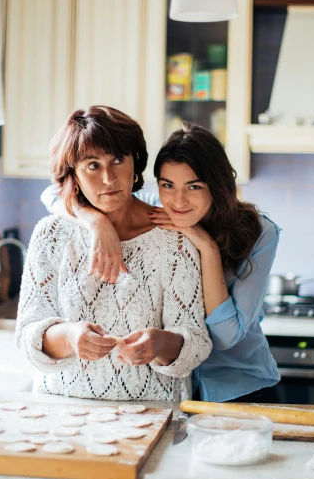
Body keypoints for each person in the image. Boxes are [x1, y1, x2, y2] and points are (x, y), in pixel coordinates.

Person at [43, 122, 281, 403]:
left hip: (238, 385)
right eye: (168, 184)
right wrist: (95, 222)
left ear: (218, 186)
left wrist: (205, 246)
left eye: (194, 186)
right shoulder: (156, 208)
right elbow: (53, 194)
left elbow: (226, 337)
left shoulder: (259, 231)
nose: (178, 200)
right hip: (177, 389)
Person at [16, 107, 212, 401]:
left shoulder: (175, 238)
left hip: (154, 412)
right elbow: (26, 337)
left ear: (135, 164)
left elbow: (196, 342)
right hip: (60, 412)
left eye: (118, 160)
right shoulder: (50, 235)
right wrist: (69, 336)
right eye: (92, 165)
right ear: (74, 175)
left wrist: (160, 344)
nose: (108, 178)